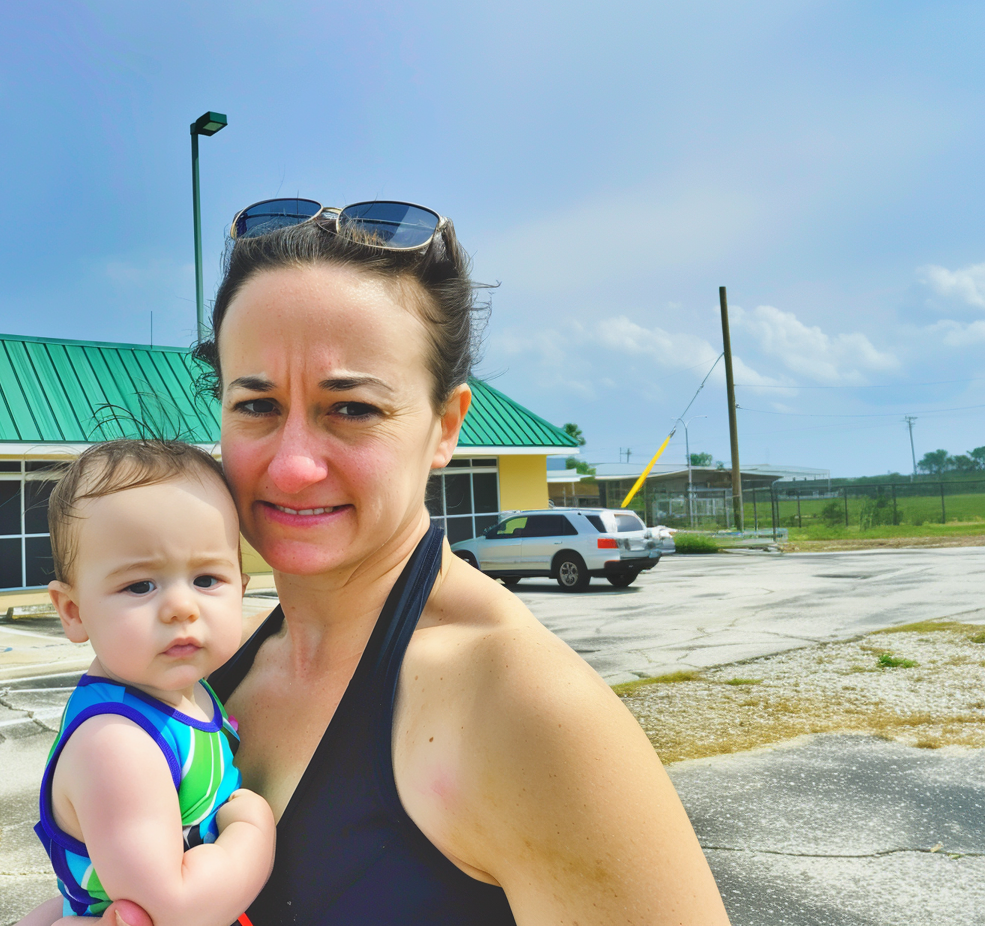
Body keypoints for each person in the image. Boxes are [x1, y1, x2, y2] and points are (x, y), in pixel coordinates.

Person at [45, 199, 731, 925]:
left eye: (353, 409)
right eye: (258, 406)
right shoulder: (207, 669)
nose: (295, 464)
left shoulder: (527, 707)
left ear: (445, 426)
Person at [18, 440, 275, 926]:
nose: (182, 606)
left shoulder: (183, 689)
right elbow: (174, 908)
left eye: (206, 579)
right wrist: (254, 829)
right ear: (73, 613)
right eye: (139, 586)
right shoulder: (117, 744)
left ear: (241, 587)